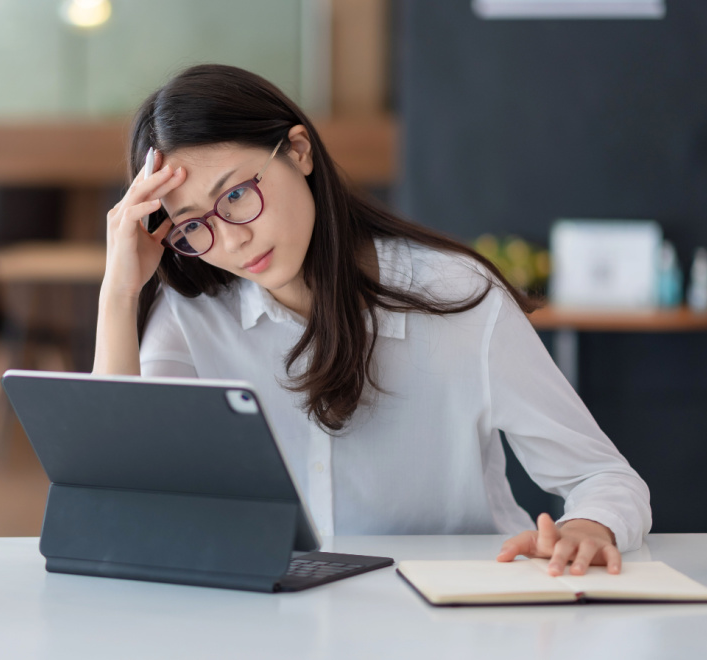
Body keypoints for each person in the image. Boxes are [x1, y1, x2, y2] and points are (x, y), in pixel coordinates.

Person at [93, 63, 651, 576]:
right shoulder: (195, 316)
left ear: (299, 151)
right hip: (277, 626)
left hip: (455, 617)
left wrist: (589, 525)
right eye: (192, 225)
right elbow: (123, 500)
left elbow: (602, 476)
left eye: (237, 194)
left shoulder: (455, 295)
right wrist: (119, 293)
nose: (233, 239)